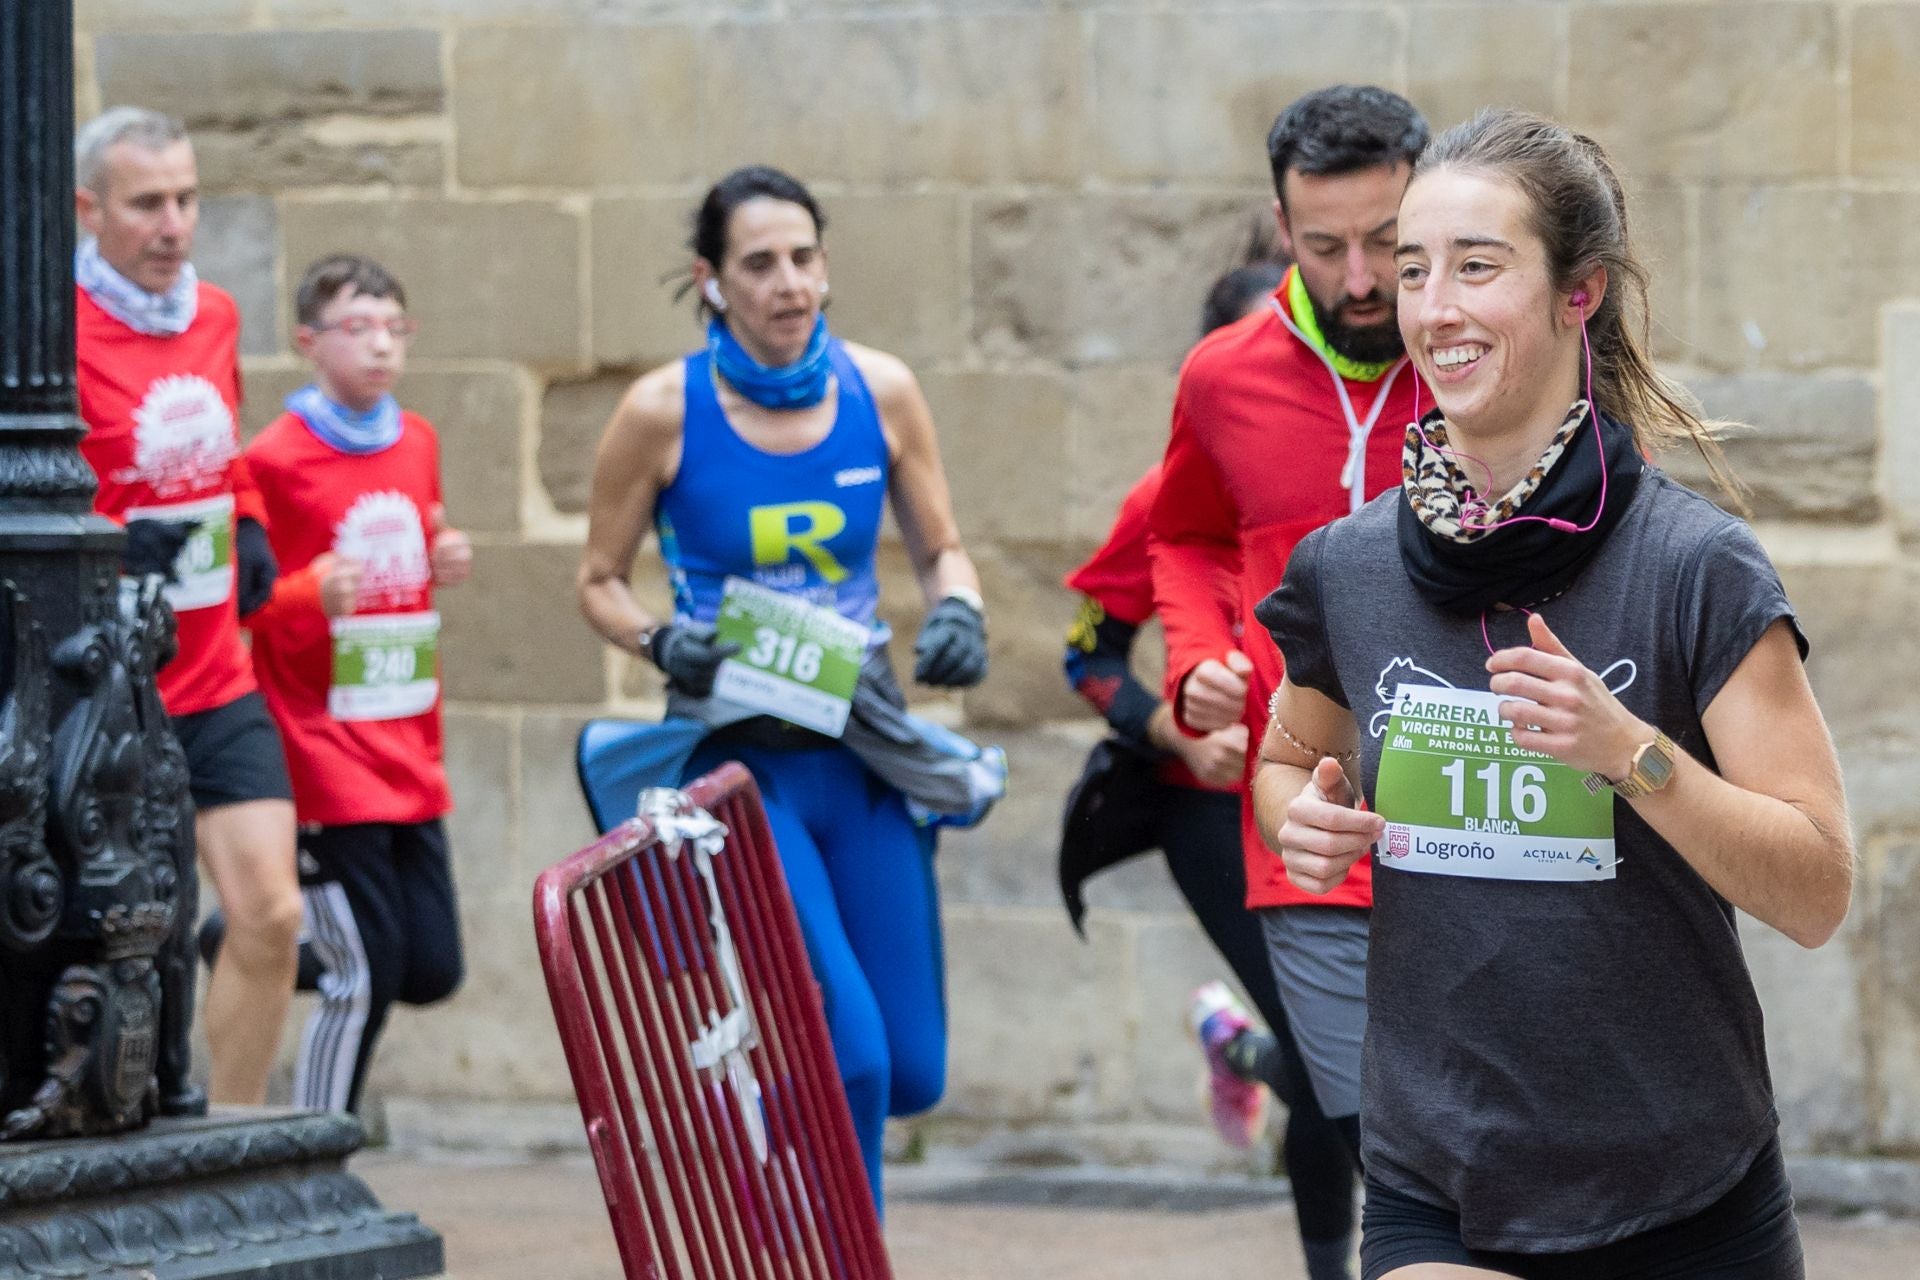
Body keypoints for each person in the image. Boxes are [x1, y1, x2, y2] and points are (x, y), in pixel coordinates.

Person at [1252, 108, 1851, 1279]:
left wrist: (1633, 752)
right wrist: (1302, 820)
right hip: (1441, 1179)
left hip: (1688, 1188)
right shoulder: (1348, 568)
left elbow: (1819, 886)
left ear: (1579, 294)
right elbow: (1285, 764)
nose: (1434, 307)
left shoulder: (1693, 566)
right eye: (1415, 269)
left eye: (1479, 267)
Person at [577, 165, 990, 1212]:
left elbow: (946, 549)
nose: (788, 283)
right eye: (758, 264)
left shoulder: (881, 390)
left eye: (804, 257)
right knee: (848, 1053)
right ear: (709, 279)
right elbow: (596, 582)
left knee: (912, 1068)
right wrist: (662, 640)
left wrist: (959, 611)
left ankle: (760, 1094)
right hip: (739, 770)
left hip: (861, 757)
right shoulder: (661, 410)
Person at [1059, 251, 1359, 1280]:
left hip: (1347, 798)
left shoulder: (1372, 470)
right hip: (1213, 815)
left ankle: (1242, 1052)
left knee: (1359, 1063)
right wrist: (1174, 729)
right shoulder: (1167, 501)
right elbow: (1086, 653)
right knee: (1335, 1073)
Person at [1150, 85, 1431, 1159]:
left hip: (1477, 813)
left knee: (1474, 1141)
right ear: (1282, 227)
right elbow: (1183, 536)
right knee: (1382, 1142)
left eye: (1386, 242)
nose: (1358, 279)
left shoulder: (1478, 362)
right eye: (1325, 245)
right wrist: (1195, 659)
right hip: (1303, 811)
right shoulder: (1221, 378)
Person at [73, 106, 302, 1106]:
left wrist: (247, 515)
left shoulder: (210, 314)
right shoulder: (52, 332)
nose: (175, 224)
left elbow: (222, 445)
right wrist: (120, 540)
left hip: (216, 670)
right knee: (137, 929)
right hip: (108, 686)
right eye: (148, 203)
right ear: (89, 210)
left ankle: (236, 1130)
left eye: (187, 199)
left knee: (269, 910)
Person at [242, 255, 471, 1114]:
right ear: (309, 342)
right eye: (358, 328)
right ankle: (318, 1143)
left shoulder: (417, 440)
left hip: (409, 738)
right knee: (365, 974)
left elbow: (424, 532)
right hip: (324, 746)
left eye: (394, 328)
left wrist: (444, 556)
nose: (381, 347)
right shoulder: (272, 460)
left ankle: (248, 937)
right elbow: (245, 601)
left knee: (432, 965)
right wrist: (307, 594)